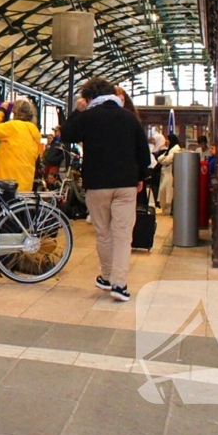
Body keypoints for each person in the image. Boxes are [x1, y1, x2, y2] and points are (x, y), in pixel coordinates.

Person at [61, 76, 151, 302]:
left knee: (103, 233)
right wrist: (142, 177)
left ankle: (107, 275)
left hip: (97, 184)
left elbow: (66, 135)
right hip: (126, 185)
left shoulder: (88, 117)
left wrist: (77, 111)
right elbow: (143, 153)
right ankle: (118, 284)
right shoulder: (129, 118)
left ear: (89, 98)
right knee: (122, 235)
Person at [0, 98, 42, 192]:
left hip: (7, 180)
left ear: (15, 112)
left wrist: (2, 110)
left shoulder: (13, 127)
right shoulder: (34, 132)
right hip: (25, 183)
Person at [157, 133, 183, 215]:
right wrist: (163, 158)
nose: (166, 141)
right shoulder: (169, 149)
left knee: (166, 190)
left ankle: (168, 208)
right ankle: (164, 209)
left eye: (168, 139)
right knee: (162, 190)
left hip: (170, 172)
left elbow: (167, 160)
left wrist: (163, 159)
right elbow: (159, 159)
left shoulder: (176, 149)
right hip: (164, 172)